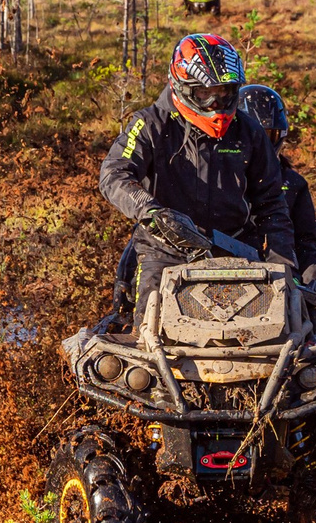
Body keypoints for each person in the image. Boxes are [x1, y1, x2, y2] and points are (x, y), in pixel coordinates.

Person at [99, 34, 295, 321]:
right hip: (164, 250)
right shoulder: (150, 123)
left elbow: (272, 203)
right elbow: (113, 173)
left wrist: (284, 266)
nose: (216, 102)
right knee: (150, 331)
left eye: (225, 92)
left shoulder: (248, 131)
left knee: (270, 333)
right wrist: (151, 211)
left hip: (236, 250)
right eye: (205, 94)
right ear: (183, 87)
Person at [240, 82, 316, 325]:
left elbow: (306, 240)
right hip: (221, 272)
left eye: (268, 136)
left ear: (280, 136)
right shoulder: (216, 179)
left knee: (311, 316)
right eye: (254, 135)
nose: (261, 145)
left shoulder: (293, 184)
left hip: (282, 275)